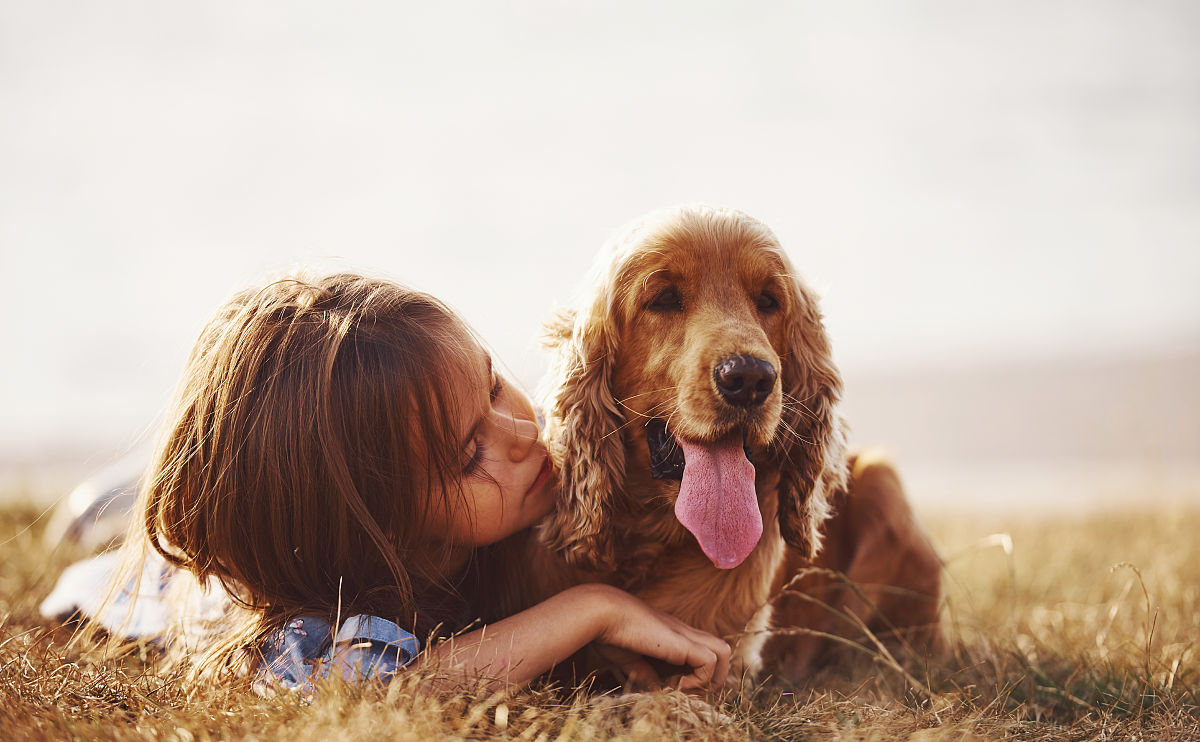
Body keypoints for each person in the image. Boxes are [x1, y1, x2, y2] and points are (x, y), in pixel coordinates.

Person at [42, 272, 730, 693]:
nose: (524, 434)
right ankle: (116, 498)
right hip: (150, 587)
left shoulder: (505, 464)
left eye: (494, 383)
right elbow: (375, 695)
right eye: (469, 455)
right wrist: (592, 609)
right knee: (108, 526)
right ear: (384, 527)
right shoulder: (320, 618)